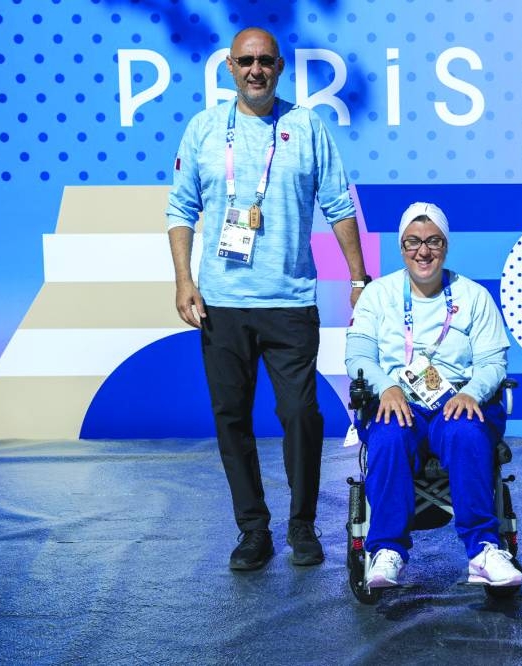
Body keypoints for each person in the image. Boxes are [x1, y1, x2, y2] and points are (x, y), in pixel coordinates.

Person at [166, 27, 369, 571]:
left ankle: (301, 525)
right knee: (230, 417)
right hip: (223, 304)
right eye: (245, 61)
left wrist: (358, 279)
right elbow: (181, 210)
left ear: (280, 68)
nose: (256, 70)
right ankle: (253, 529)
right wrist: (184, 281)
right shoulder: (205, 129)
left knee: (301, 414)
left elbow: (338, 204)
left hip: (290, 299)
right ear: (229, 68)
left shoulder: (305, 126)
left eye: (266, 61)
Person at [345, 202, 522, 588]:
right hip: (398, 399)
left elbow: (494, 361)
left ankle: (484, 551)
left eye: (433, 242)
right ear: (401, 246)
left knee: (465, 431)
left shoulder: (473, 296)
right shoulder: (377, 295)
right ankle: (387, 551)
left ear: (446, 245)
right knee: (389, 436)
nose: (423, 251)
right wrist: (385, 386)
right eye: (413, 242)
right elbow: (358, 355)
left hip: (455, 399)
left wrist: (473, 392)